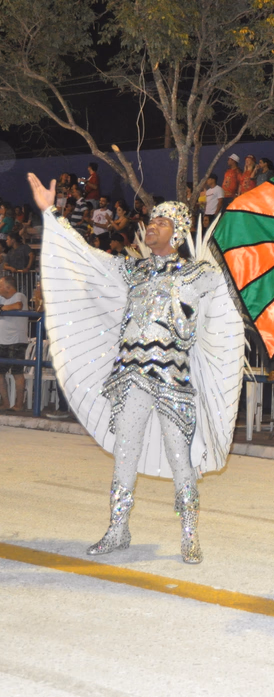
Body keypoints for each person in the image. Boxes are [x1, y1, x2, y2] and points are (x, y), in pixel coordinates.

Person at [27, 172, 245, 564]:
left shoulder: (201, 276)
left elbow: (236, 302)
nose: (152, 227)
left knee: (182, 460)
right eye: (152, 221)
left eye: (161, 222)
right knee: (124, 454)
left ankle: (189, 534)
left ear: (177, 233)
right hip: (129, 378)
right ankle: (118, 528)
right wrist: (52, 215)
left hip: (173, 381)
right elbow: (88, 259)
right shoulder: (133, 271)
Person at [0, 275, 29, 411]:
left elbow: (18, 306)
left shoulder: (19, 295)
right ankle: (6, 403)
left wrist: (2, 308)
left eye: (0, 285)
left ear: (8, 287)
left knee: (17, 373)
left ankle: (19, 405)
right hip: (2, 341)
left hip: (17, 341)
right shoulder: (2, 298)